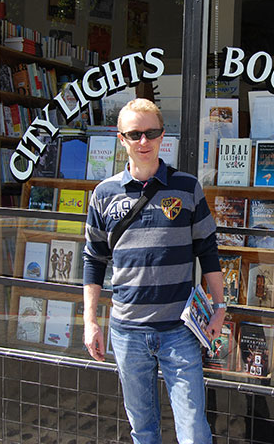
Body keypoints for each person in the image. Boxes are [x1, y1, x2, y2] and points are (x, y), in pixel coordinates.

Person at [82, 98, 225, 444]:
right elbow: (94, 260)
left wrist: (220, 307)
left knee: (193, 432)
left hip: (180, 331)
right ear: (121, 139)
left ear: (164, 137)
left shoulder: (187, 187)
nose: (144, 142)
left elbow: (207, 251)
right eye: (135, 134)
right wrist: (90, 321)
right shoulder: (104, 194)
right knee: (143, 431)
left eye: (152, 133)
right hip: (127, 333)